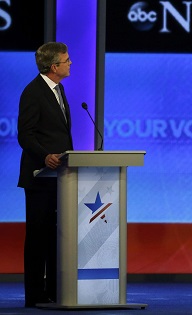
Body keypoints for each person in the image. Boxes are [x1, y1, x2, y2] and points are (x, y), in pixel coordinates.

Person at [17, 42, 74, 307]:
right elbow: (25, 135)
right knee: (38, 235)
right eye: (66, 60)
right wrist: (44, 156)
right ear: (54, 66)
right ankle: (34, 295)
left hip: (60, 177)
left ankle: (52, 290)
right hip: (40, 176)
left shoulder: (59, 89)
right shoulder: (33, 92)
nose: (70, 63)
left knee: (55, 235)